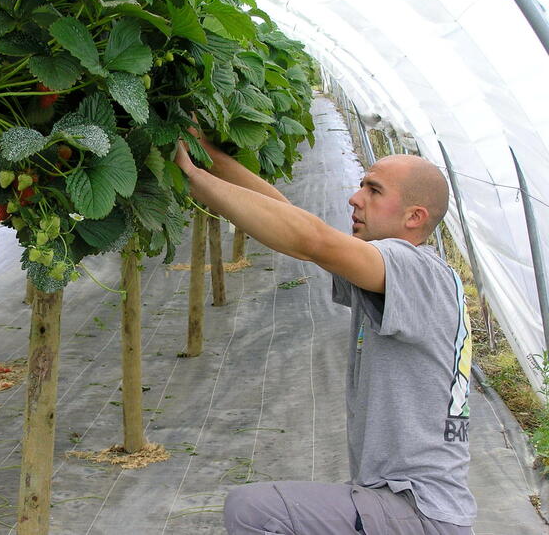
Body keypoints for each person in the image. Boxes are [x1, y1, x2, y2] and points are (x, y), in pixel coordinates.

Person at [174, 135, 476, 535]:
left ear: (414, 217)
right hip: (410, 507)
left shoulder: (414, 268)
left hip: (417, 510)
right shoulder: (409, 274)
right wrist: (205, 154)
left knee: (255, 510)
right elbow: (287, 215)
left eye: (373, 190)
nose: (355, 198)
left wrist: (191, 177)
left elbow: (310, 241)